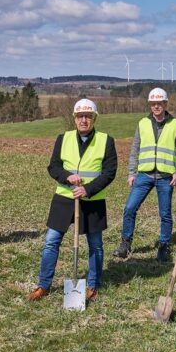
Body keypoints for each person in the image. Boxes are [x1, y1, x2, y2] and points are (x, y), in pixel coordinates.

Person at [28, 99, 117, 302]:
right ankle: (44, 285)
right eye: (80, 117)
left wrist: (87, 189)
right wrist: (67, 177)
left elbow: (109, 173)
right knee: (51, 241)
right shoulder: (63, 138)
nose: (83, 120)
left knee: (95, 245)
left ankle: (93, 285)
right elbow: (53, 167)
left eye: (88, 116)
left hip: (92, 201)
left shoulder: (106, 141)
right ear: (74, 119)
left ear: (94, 118)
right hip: (64, 199)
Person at [113, 87, 176, 262]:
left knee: (165, 213)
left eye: (159, 103)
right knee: (130, 208)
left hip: (165, 176)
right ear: (150, 105)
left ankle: (164, 245)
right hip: (144, 175)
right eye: (153, 104)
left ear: (165, 104)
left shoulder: (175, 124)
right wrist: (131, 173)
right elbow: (135, 149)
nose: (156, 107)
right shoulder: (142, 123)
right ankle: (125, 243)